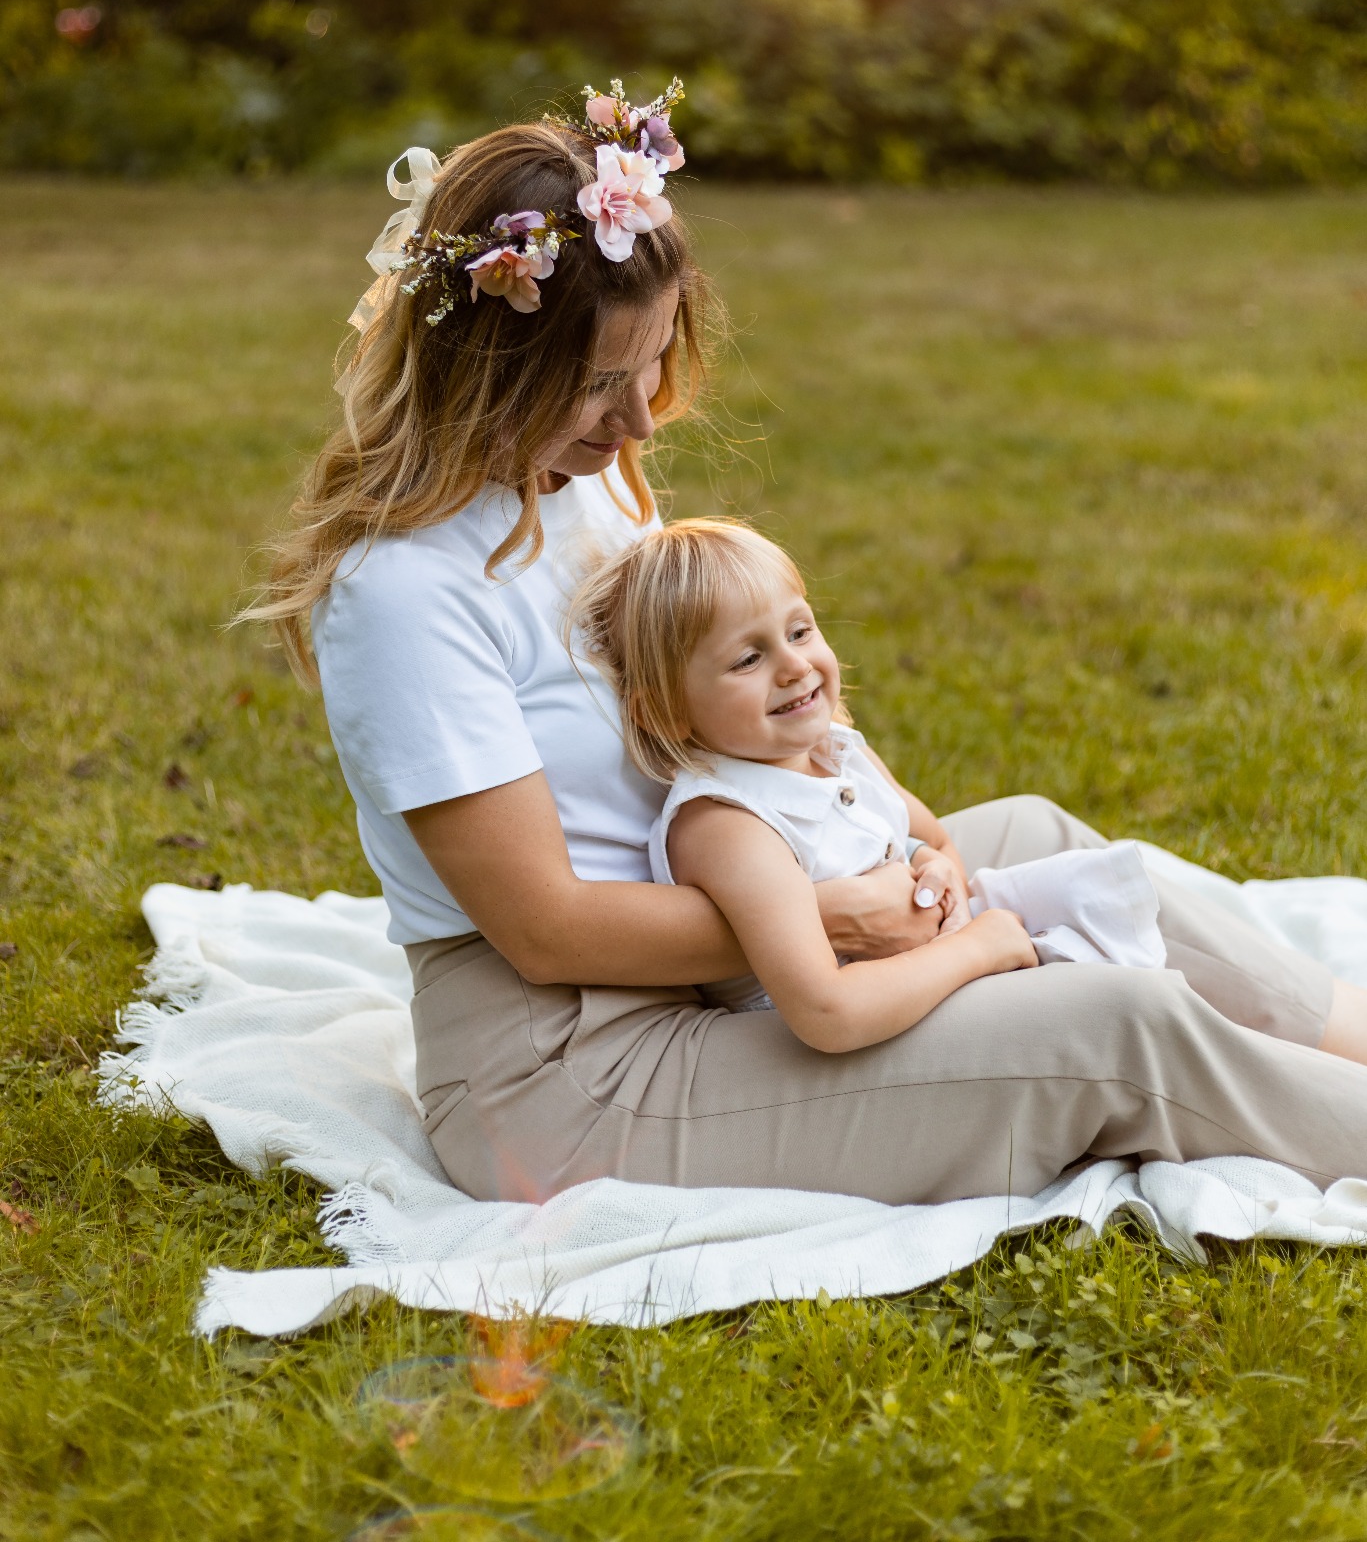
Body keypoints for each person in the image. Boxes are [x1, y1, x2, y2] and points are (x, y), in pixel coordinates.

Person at [246, 79, 1367, 1210]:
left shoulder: (589, 483)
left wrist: (904, 857)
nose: (639, 421)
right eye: (593, 386)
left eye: (648, 362)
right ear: (487, 370)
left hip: (737, 936)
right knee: (1111, 1024)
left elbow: (733, 719)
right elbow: (545, 931)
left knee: (1047, 845)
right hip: (574, 1067)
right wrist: (835, 920)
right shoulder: (405, 590)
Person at [567, 517, 1167, 1039]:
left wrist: (933, 869)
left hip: (926, 975)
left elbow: (933, 840)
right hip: (850, 1040)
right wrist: (977, 948)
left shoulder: (836, 752)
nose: (794, 665)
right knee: (1111, 1006)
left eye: (799, 631)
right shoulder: (727, 825)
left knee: (1099, 900)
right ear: (667, 712)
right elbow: (827, 1011)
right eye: (748, 659)